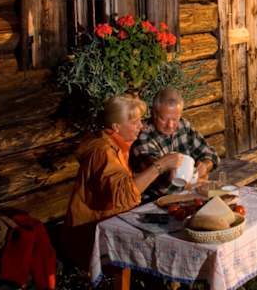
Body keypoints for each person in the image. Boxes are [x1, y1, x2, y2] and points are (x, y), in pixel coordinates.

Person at [62, 95, 182, 269]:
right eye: (135, 122)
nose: (141, 126)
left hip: (114, 222)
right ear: (116, 127)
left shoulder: (118, 146)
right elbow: (124, 194)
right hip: (94, 233)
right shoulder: (103, 152)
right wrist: (161, 165)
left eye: (140, 121)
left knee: (173, 223)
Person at [131, 87, 220, 202]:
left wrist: (205, 166)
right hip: (156, 202)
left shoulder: (183, 125)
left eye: (175, 119)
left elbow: (211, 154)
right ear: (153, 113)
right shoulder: (143, 136)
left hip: (189, 195)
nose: (170, 125)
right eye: (164, 119)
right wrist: (170, 174)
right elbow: (155, 176)